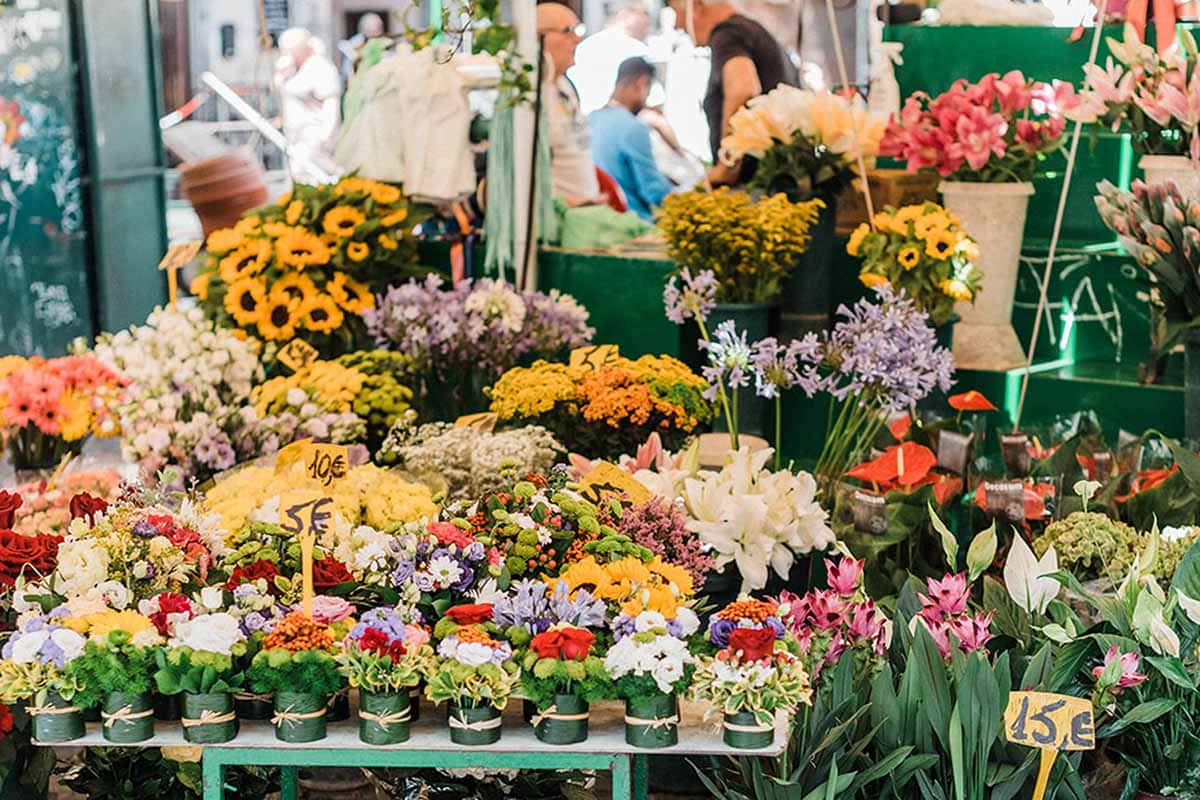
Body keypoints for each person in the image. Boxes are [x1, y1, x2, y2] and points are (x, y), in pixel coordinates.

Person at [667, 0, 796, 185]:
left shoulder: (728, 34)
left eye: (675, 13)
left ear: (696, 6)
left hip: (759, 184)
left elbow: (743, 90)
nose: (677, 25)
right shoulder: (749, 31)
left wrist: (727, 164)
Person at [588, 57, 675, 221]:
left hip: (596, 218)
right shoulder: (634, 128)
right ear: (640, 84)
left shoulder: (590, 120)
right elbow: (653, 191)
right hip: (631, 222)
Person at [537, 2, 603, 206]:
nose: (577, 39)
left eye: (578, 30)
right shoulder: (529, 95)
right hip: (556, 219)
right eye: (568, 31)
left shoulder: (565, 86)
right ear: (539, 37)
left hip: (587, 212)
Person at [275, 28, 341, 183]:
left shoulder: (320, 67)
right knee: (299, 177)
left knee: (317, 178)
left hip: (314, 137)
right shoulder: (295, 70)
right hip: (297, 137)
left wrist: (325, 135)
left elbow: (331, 104)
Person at [569, 2, 652, 114]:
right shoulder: (638, 50)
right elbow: (649, 98)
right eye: (643, 17)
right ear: (625, 14)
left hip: (583, 116)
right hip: (620, 119)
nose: (647, 28)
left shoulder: (586, 45)